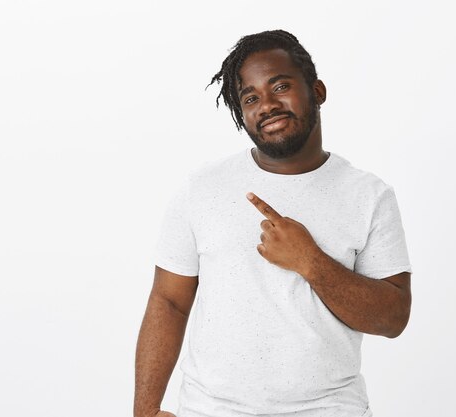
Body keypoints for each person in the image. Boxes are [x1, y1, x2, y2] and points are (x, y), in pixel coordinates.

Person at [133, 30, 412, 417]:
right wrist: (144, 410)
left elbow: (393, 318)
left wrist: (310, 261)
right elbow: (168, 302)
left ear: (317, 91)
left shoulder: (369, 195)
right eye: (250, 98)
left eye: (280, 86)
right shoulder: (202, 188)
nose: (267, 105)